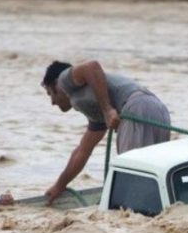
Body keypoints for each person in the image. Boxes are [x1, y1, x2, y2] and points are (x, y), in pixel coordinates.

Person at [41, 59, 171, 205]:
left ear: (56, 85)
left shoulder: (64, 80)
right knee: (152, 173)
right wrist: (59, 186)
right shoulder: (95, 112)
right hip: (158, 110)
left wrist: (107, 109)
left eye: (49, 93)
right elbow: (82, 152)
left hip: (136, 107)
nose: (52, 102)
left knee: (131, 172)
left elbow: (92, 66)